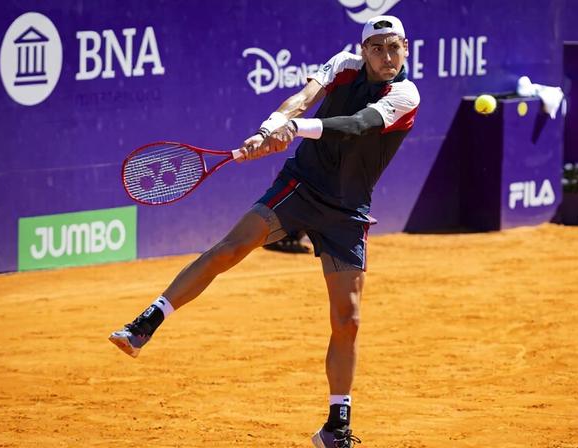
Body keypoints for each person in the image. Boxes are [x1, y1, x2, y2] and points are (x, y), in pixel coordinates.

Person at [109, 15, 419, 448]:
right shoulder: (344, 65)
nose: (388, 56)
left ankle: (336, 425)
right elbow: (303, 97)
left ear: (405, 47)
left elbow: (357, 125)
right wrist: (269, 127)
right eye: (378, 48)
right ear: (364, 50)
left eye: (395, 47)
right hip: (302, 186)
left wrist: (295, 129)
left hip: (348, 211)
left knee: (347, 320)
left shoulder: (405, 94)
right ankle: (146, 323)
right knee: (230, 249)